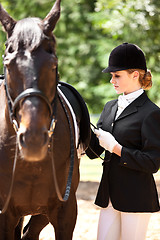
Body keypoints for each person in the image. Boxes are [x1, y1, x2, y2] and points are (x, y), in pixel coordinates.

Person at [86, 42, 160, 240]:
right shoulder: (109, 107)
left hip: (136, 197)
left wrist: (117, 149)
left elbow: (152, 163)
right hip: (108, 195)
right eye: (112, 76)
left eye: (116, 75)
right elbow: (93, 151)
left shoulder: (151, 113)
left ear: (135, 74)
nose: (112, 81)